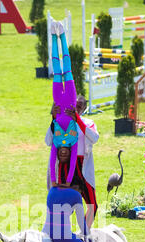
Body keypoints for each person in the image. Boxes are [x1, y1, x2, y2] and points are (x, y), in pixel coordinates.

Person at [46, 95, 100, 227]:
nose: (77, 106)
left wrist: (78, 120)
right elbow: (48, 141)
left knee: (92, 204)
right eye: (75, 103)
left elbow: (94, 138)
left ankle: (85, 234)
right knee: (63, 205)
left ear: (85, 108)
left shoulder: (88, 122)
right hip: (66, 166)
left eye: (81, 105)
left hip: (83, 167)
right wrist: (53, 118)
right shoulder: (60, 122)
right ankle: (63, 234)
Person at [48, 21, 79, 187]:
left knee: (56, 67)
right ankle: (63, 35)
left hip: (59, 100)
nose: (65, 153)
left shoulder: (56, 143)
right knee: (67, 68)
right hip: (71, 98)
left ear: (59, 155)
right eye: (66, 155)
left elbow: (53, 164)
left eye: (62, 155)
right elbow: (73, 163)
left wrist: (54, 181)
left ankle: (54, 36)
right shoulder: (73, 144)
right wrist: (67, 182)